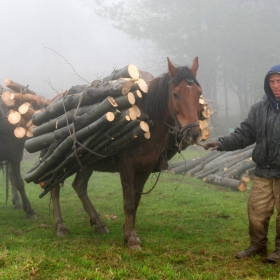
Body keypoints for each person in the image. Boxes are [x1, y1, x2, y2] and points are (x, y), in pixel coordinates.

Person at [205, 64, 280, 263]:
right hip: (264, 171)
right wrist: (220, 143)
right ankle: (258, 246)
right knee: (256, 211)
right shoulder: (259, 108)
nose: (275, 86)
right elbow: (244, 134)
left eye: (279, 81)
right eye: (271, 82)